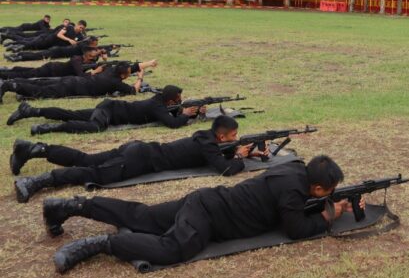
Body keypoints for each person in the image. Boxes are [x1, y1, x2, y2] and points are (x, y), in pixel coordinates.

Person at [47, 156, 359, 273]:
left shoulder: (292, 170)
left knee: (141, 215)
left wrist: (323, 204)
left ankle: (74, 205)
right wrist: (328, 217)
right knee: (174, 249)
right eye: (327, 191)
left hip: (206, 199)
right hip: (209, 218)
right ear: (317, 188)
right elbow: (296, 229)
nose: (329, 196)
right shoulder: (293, 194)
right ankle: (101, 245)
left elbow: (292, 206)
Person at [12, 115, 258, 203]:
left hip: (139, 148)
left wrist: (246, 150)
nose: (235, 138)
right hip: (140, 160)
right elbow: (225, 170)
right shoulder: (209, 145)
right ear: (221, 135)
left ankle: (35, 149)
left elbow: (216, 153)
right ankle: (36, 181)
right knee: (95, 174)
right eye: (233, 136)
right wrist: (239, 157)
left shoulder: (206, 137)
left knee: (87, 158)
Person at [6, 84, 201, 133]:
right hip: (109, 112)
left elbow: (170, 111)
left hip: (109, 107)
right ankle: (46, 128)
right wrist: (185, 115)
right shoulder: (157, 105)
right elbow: (173, 124)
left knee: (71, 114)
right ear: (170, 99)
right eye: (177, 99)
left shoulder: (159, 101)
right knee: (95, 127)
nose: (179, 101)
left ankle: (31, 111)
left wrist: (194, 110)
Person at [0, 60, 156, 103]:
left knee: (41, 83)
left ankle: (12, 81)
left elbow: (132, 66)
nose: (132, 72)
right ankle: (9, 85)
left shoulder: (111, 68)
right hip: (71, 88)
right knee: (40, 91)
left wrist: (148, 63)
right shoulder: (116, 83)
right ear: (123, 75)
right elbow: (133, 91)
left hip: (73, 80)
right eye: (129, 73)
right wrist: (140, 77)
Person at [0, 46, 103, 80]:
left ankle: (10, 69)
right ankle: (3, 75)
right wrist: (94, 72)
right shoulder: (77, 60)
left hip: (53, 70)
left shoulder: (87, 60)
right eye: (92, 57)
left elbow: (93, 65)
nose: (93, 59)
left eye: (94, 57)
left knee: (30, 70)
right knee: (27, 75)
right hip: (51, 70)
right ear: (86, 55)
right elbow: (80, 75)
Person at [7, 20, 87, 51]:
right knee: (33, 43)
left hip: (54, 45)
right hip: (50, 38)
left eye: (82, 29)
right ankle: (14, 45)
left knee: (36, 47)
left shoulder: (80, 36)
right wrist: (69, 40)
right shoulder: (69, 27)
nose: (81, 29)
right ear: (77, 25)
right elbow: (59, 35)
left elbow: (79, 43)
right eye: (80, 27)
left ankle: (16, 45)